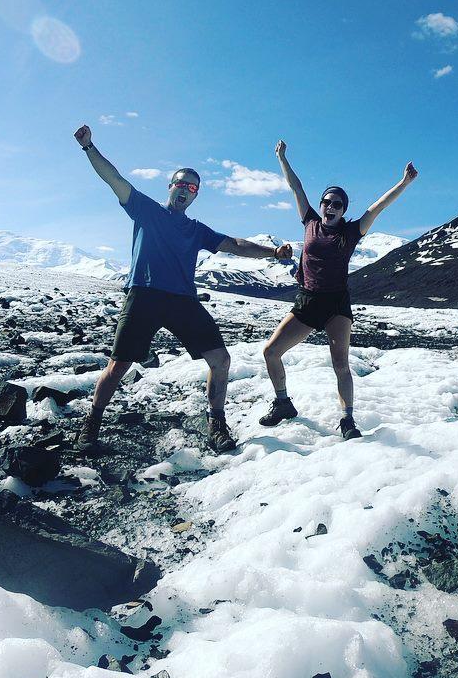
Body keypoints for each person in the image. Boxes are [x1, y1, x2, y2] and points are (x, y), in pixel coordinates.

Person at [73, 124, 292, 453]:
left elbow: (234, 244)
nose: (185, 190)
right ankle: (91, 422)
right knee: (118, 366)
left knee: (221, 360)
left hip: (182, 301)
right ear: (171, 186)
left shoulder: (196, 229)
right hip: (143, 295)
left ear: (195, 194)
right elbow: (114, 179)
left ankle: (216, 422)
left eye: (192, 186)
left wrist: (272, 251)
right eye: (181, 183)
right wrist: (89, 147)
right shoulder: (146, 210)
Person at [260, 140, 417, 439]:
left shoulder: (351, 231)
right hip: (306, 301)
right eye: (327, 203)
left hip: (336, 305)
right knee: (271, 352)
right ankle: (283, 403)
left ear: (344, 210)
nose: (330, 207)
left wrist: (404, 182)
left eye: (337, 204)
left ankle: (347, 420)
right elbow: (296, 187)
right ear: (320, 206)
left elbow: (379, 207)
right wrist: (282, 158)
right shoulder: (309, 221)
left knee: (341, 364)